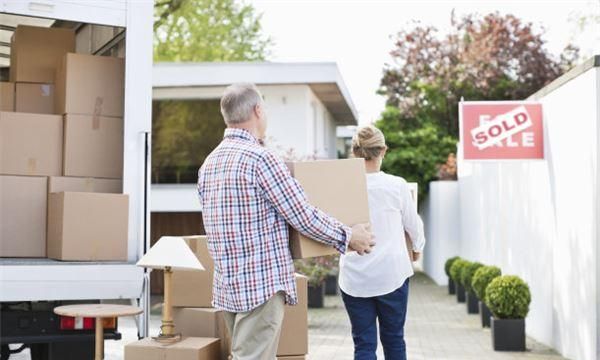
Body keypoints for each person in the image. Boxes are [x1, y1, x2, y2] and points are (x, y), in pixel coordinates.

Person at [197, 83, 376, 360]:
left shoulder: (209, 163)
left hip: (228, 286)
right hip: (261, 285)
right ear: (257, 110)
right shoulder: (261, 159)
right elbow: (302, 215)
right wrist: (349, 236)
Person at [339, 125, 426, 360]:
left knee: (364, 344)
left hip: (355, 278)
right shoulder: (396, 185)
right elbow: (414, 226)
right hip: (392, 274)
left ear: (354, 152)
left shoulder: (343, 186)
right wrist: (417, 249)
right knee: (394, 339)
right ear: (383, 151)